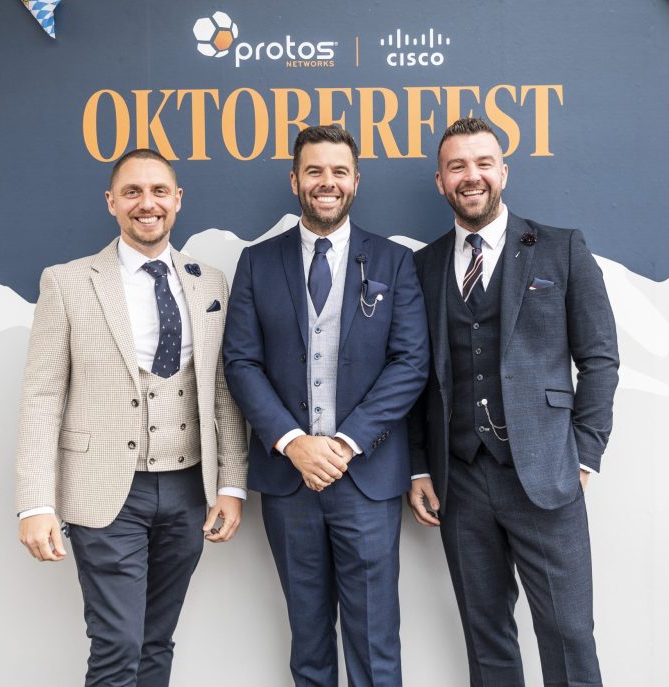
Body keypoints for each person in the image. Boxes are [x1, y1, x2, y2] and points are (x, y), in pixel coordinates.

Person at [15, 148, 248, 687]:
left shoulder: (209, 281)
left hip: (190, 489)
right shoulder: (68, 282)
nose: (148, 204)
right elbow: (42, 393)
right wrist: (35, 502)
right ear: (112, 202)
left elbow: (221, 390)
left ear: (178, 199)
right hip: (105, 492)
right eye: (133, 193)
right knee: (118, 644)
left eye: (159, 191)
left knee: (155, 641)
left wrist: (232, 484)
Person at [407, 118, 619, 687]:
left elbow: (599, 358)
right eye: (457, 166)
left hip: (547, 472)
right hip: (461, 478)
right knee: (486, 636)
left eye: (482, 163)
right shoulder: (422, 267)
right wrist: (421, 464)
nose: (470, 175)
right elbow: (415, 377)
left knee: (569, 634)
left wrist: (585, 453)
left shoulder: (560, 248)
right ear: (440, 181)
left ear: (504, 171)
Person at [223, 125, 429, 687]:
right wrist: (294, 443)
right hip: (290, 484)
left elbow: (410, 364)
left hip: (366, 480)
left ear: (355, 182)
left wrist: (342, 443)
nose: (326, 183)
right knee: (308, 643)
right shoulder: (257, 263)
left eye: (338, 171)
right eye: (314, 171)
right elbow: (241, 363)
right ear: (295, 180)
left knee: (374, 643)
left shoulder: (393, 262)